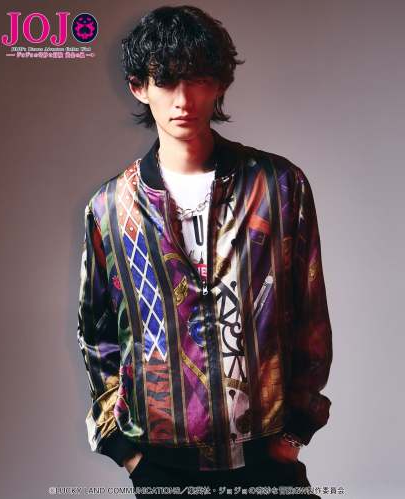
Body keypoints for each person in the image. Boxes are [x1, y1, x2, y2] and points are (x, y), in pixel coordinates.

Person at [77, 5, 333, 498]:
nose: (183, 99)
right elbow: (97, 336)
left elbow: (310, 314)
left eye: (197, 79)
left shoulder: (279, 187)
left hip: (265, 457)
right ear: (139, 87)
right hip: (161, 466)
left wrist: (295, 432)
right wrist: (127, 453)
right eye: (166, 80)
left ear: (219, 84)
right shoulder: (109, 209)